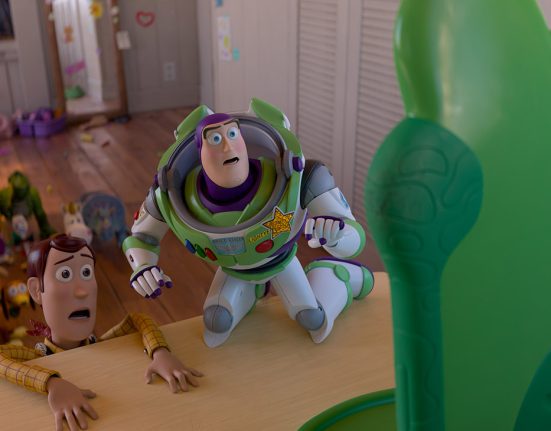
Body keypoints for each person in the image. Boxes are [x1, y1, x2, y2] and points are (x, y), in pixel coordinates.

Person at [123, 98, 374, 347]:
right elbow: (141, 238)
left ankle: (338, 275)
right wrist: (142, 266)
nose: (228, 147)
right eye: (216, 139)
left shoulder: (304, 177)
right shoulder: (168, 196)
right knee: (216, 323)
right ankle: (254, 291)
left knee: (313, 319)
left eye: (233, 134)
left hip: (282, 262)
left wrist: (336, 235)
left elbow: (354, 238)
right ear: (199, 151)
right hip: (234, 270)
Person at [0, 234, 202, 431]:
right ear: (36, 290)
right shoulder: (38, 359)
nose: (82, 291)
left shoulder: (103, 344)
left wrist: (160, 352)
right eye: (65, 274)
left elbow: (137, 320)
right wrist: (50, 382)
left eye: (86, 272)